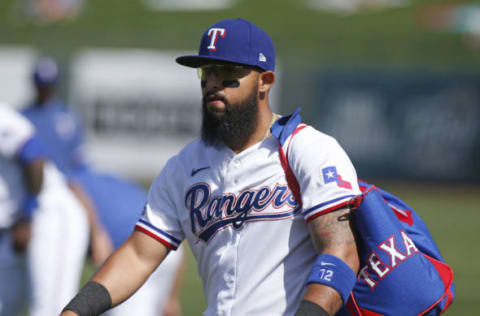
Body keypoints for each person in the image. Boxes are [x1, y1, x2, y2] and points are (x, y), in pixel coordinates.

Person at [61, 18, 361, 316]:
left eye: (229, 73)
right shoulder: (184, 167)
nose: (214, 83)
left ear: (265, 81)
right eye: (207, 72)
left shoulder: (307, 150)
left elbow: (340, 253)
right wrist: (75, 311)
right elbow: (139, 256)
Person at [24, 57, 185, 316]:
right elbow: (178, 243)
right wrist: (172, 297)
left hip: (130, 258)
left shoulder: (71, 186)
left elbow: (74, 189)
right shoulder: (108, 180)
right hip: (164, 252)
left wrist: (97, 234)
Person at [0, 103, 89, 315]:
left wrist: (27, 215)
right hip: (12, 227)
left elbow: (34, 155)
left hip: (47, 213)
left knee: (49, 310)